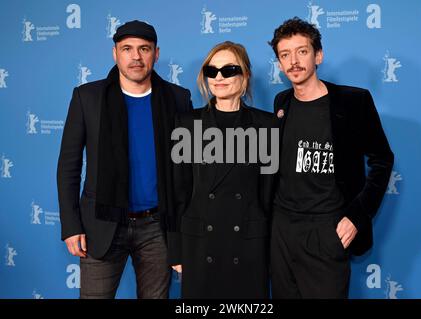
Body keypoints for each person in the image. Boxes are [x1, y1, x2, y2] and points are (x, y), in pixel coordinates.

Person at [57, 20, 192, 299]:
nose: (136, 57)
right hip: (102, 222)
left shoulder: (178, 99)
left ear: (156, 53)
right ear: (115, 53)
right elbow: (68, 166)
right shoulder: (88, 97)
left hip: (157, 226)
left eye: (144, 49)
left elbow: (187, 171)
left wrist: (184, 231)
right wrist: (71, 226)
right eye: (127, 48)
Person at [268, 17, 394, 298]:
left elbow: (382, 160)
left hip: (327, 230)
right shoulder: (281, 104)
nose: (294, 62)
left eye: (302, 51)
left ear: (318, 55)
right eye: (285, 55)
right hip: (282, 232)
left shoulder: (353, 102)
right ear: (279, 63)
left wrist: (357, 215)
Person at [168, 41, 277, 298]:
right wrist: (176, 250)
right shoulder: (186, 124)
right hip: (200, 246)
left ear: (245, 75)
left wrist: (270, 252)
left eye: (229, 70)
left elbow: (270, 195)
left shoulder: (267, 125)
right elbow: (178, 192)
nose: (219, 77)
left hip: (249, 248)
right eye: (211, 70)